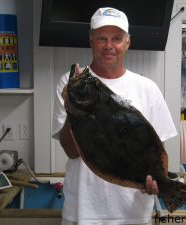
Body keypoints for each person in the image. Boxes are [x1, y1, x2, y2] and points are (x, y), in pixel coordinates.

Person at [52, 7, 177, 225]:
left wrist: (158, 182)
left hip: (134, 216)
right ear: (91, 41)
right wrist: (72, 107)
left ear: (128, 42)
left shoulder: (148, 89)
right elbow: (72, 151)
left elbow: (156, 149)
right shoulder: (68, 84)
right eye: (101, 38)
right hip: (82, 214)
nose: (109, 46)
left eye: (116, 38)